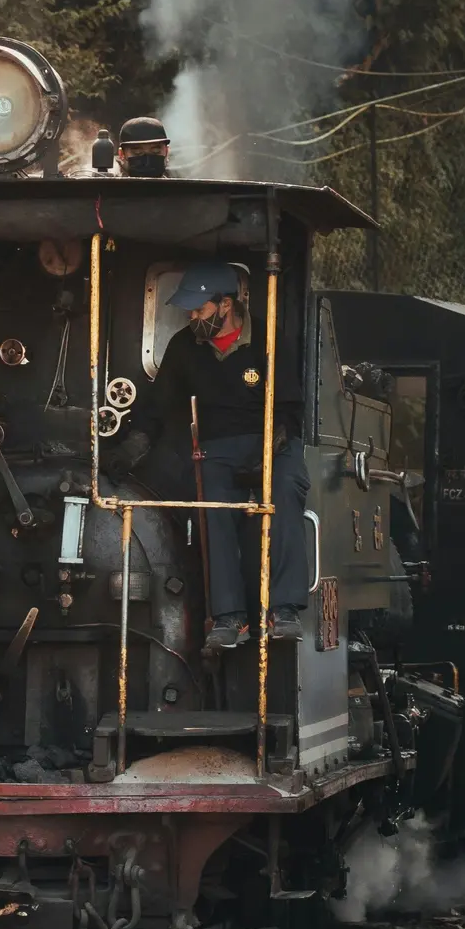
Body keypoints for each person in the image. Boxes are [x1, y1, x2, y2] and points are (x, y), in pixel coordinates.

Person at [122, 259, 309, 648]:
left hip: (272, 441)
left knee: (286, 487)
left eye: (199, 309)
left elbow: (290, 409)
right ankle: (229, 618)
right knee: (211, 499)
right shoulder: (183, 346)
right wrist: (135, 443)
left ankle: (284, 610)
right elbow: (158, 406)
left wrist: (270, 449)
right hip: (218, 446)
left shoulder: (268, 338)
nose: (192, 317)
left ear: (226, 305)